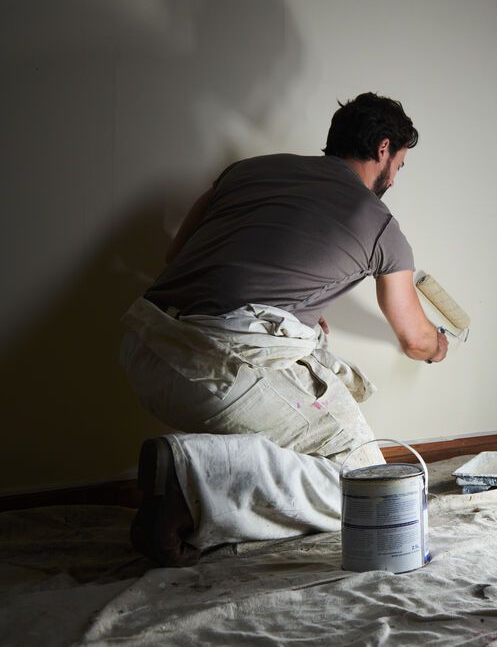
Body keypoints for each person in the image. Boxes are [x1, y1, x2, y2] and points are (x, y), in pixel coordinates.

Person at [120, 92, 447, 567]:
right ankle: (191, 485)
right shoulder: (380, 226)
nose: (394, 177)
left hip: (144, 351)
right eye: (398, 164)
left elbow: (178, 258)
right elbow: (415, 340)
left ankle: (192, 474)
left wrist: (293, 317)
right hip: (219, 370)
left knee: (309, 424)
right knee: (371, 489)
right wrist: (438, 346)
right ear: (383, 149)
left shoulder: (245, 172)